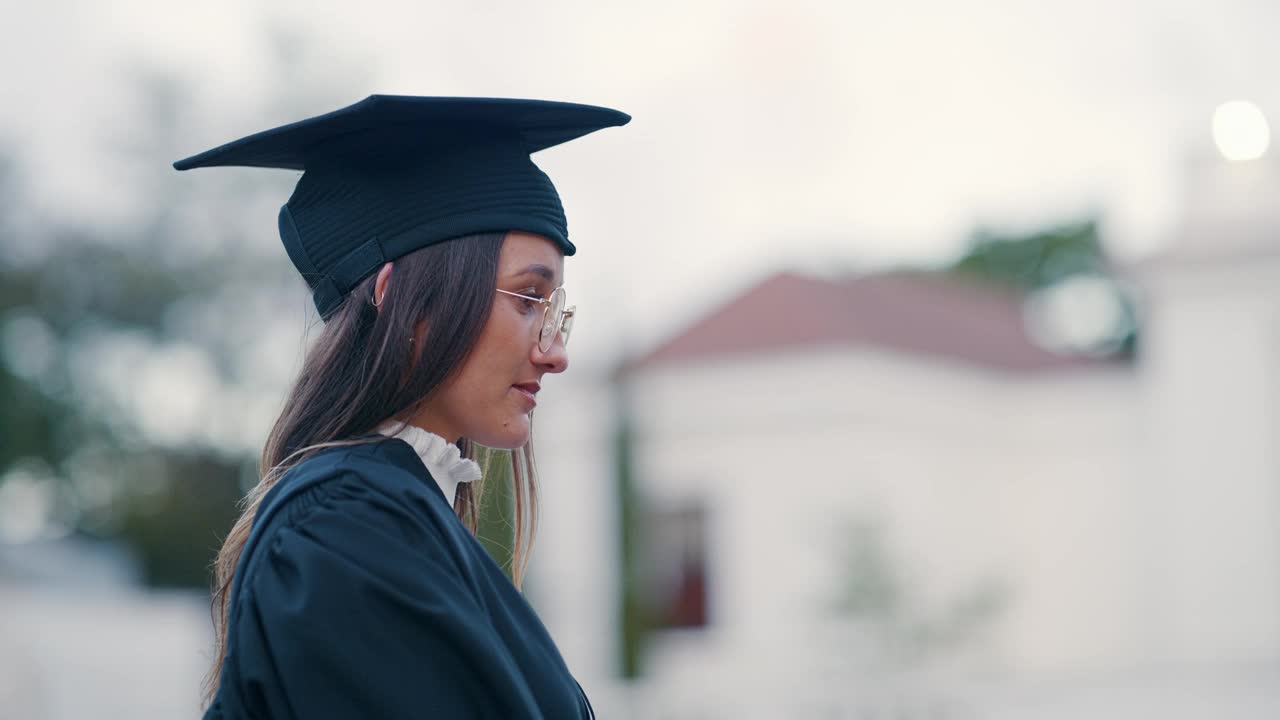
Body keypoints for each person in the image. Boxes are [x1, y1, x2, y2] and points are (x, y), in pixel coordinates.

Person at [173, 94, 629, 719]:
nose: (555, 353)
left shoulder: (396, 519)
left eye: (555, 314)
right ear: (402, 300)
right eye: (528, 299)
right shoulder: (340, 526)